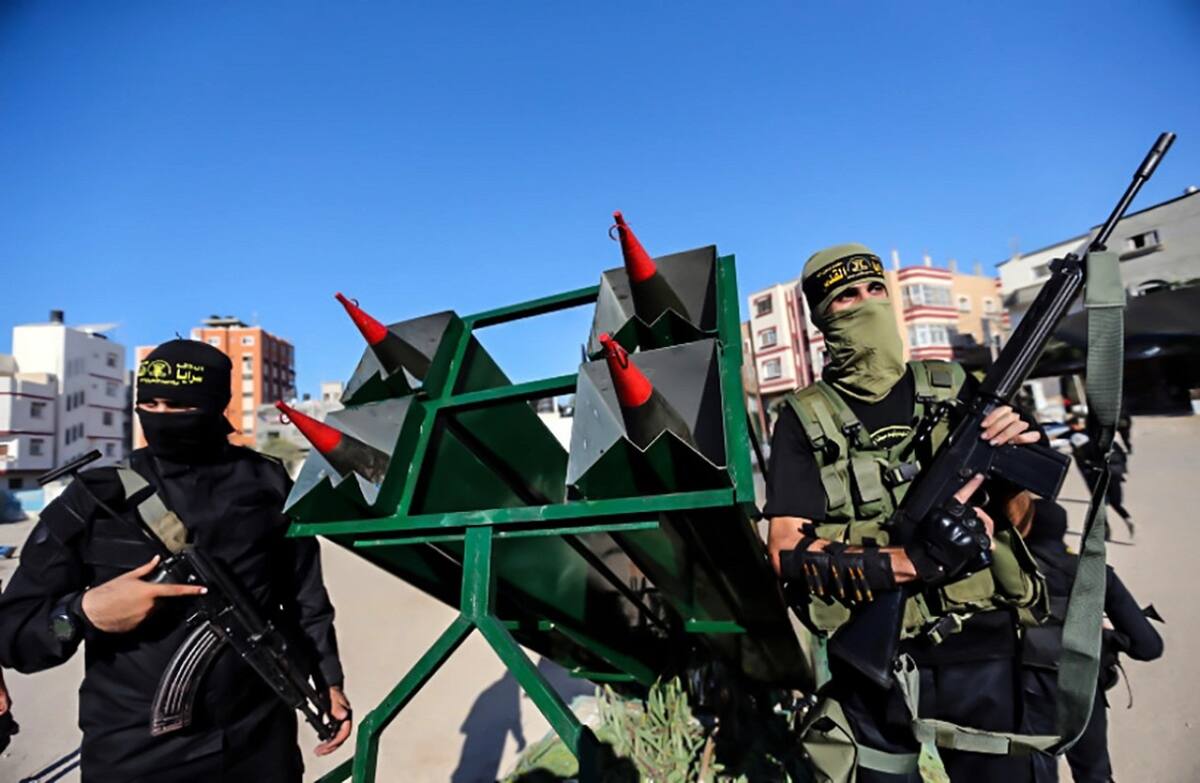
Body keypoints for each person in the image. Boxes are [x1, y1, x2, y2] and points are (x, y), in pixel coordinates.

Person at [0, 339, 351, 782]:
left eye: (180, 405)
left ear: (216, 404)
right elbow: (12, 632)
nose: (160, 415)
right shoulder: (96, 498)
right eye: (149, 402)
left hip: (259, 743)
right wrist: (85, 612)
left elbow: (303, 595)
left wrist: (328, 680)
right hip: (138, 754)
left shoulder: (266, 483)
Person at [765, 243, 1047, 782]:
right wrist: (912, 561)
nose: (867, 304)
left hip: (977, 640)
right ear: (822, 317)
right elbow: (785, 548)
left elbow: (1021, 521)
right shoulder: (803, 418)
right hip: (876, 658)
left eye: (876, 289)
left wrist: (1013, 461)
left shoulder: (955, 388)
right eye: (847, 296)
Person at [1020, 499, 1163, 783]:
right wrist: (1106, 636)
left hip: (1023, 693)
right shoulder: (1094, 574)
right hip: (1083, 691)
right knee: (1094, 774)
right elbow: (1149, 647)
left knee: (1035, 772)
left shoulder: (1009, 576)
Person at [1067, 413, 1134, 539]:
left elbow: (1083, 457)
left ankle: (1106, 530)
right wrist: (1123, 471)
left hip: (1095, 475)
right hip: (1114, 473)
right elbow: (1121, 453)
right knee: (1115, 502)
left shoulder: (1077, 437)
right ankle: (1127, 518)